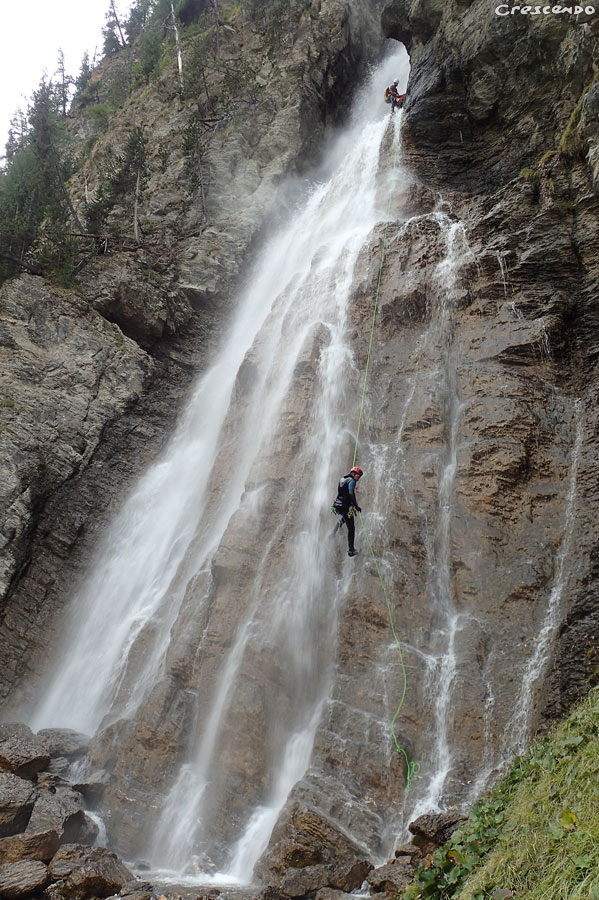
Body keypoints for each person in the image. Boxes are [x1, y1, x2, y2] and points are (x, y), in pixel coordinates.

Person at [332, 466, 363, 557]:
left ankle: (331, 534)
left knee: (343, 519)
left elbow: (343, 493)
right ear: (354, 474)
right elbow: (351, 493)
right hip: (344, 507)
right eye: (358, 476)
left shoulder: (342, 479)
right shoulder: (352, 481)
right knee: (351, 529)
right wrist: (356, 506)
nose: (358, 479)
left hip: (337, 505)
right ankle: (351, 550)